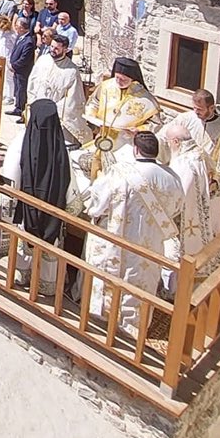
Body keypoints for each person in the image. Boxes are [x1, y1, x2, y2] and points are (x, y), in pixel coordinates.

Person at [86, 131, 183, 336]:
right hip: (151, 242)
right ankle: (133, 327)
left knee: (114, 276)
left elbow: (98, 202)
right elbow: (176, 207)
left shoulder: (120, 173)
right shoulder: (171, 177)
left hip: (119, 237)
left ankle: (106, 319)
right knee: (142, 279)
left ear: (135, 149)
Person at [1, 99, 74, 295]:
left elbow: (11, 171)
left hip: (28, 203)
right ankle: (46, 284)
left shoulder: (22, 140)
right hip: (53, 205)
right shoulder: (60, 145)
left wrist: (10, 199)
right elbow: (69, 179)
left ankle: (21, 274)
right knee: (51, 244)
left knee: (25, 238)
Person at [164, 124, 220, 283]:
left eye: (168, 142)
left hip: (191, 217)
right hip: (211, 213)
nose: (168, 146)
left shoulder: (183, 163)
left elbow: (179, 196)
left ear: (176, 142)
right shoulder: (202, 153)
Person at [84, 58, 161, 174]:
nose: (119, 81)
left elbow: (156, 125)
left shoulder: (145, 98)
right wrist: (92, 117)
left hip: (126, 143)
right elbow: (93, 103)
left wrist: (139, 131)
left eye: (123, 79)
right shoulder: (106, 86)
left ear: (132, 79)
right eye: (117, 77)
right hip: (103, 136)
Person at [26, 34, 91, 147]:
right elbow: (32, 82)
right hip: (37, 108)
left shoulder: (71, 71)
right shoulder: (42, 60)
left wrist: (52, 111)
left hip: (55, 115)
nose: (52, 50)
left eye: (56, 48)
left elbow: (72, 99)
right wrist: (32, 102)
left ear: (65, 49)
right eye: (51, 46)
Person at [7, 16, 37, 118]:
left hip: (23, 71)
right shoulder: (20, 37)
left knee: (22, 90)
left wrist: (14, 65)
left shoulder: (28, 41)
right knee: (18, 89)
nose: (16, 28)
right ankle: (17, 107)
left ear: (24, 28)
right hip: (17, 70)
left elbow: (24, 59)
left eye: (18, 26)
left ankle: (22, 111)